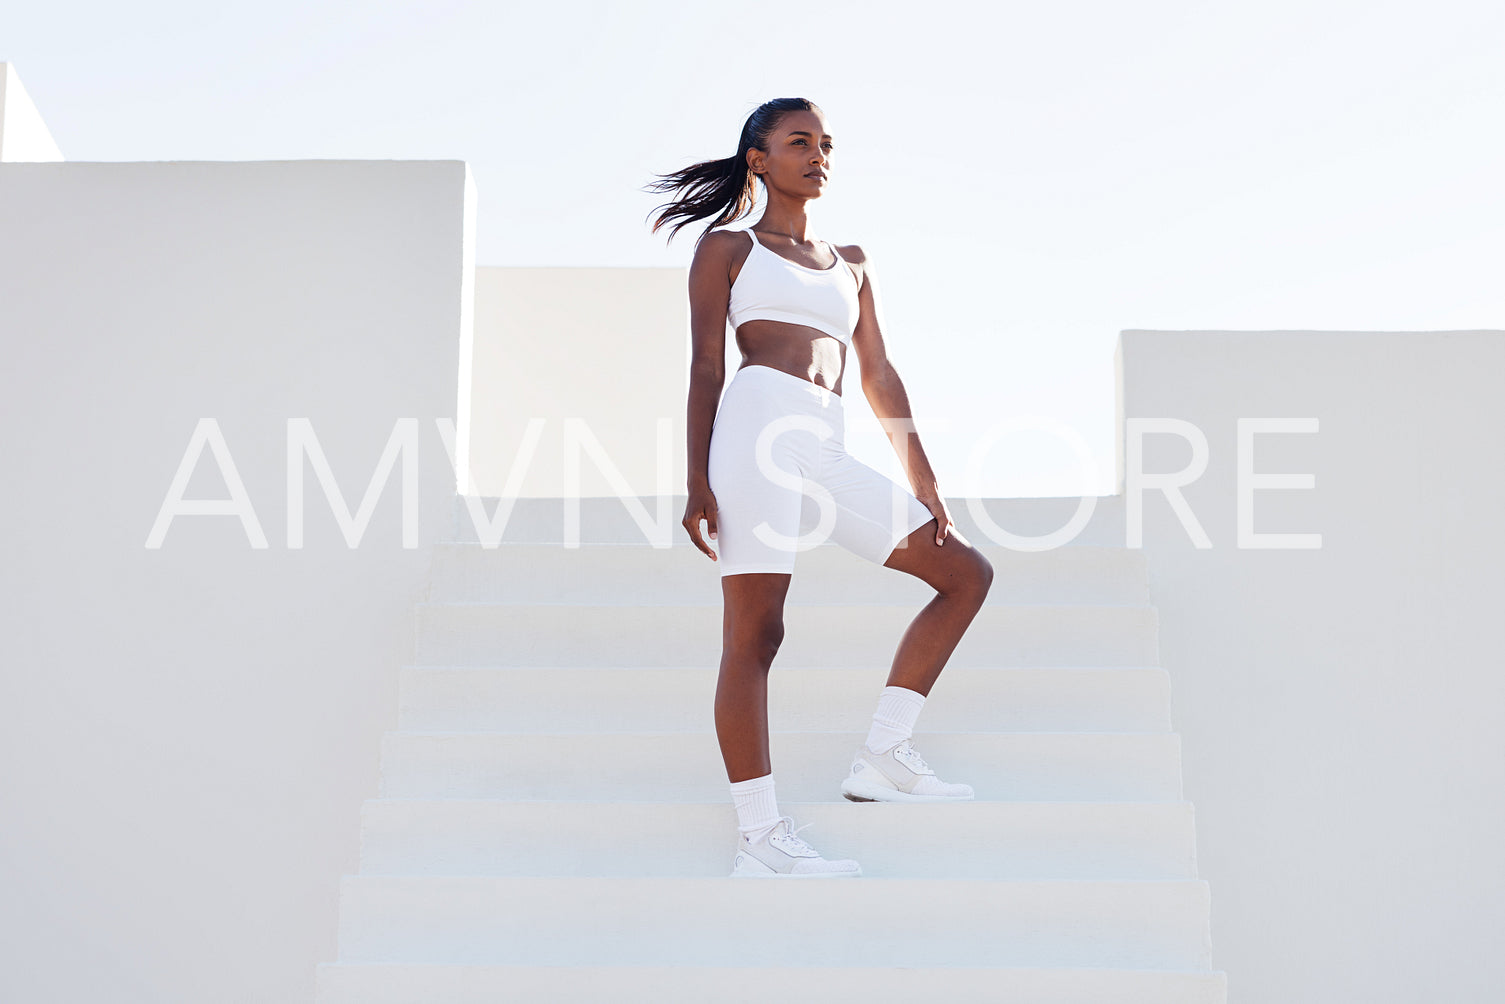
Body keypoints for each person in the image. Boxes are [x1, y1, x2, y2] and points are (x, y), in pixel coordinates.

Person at [644, 98, 994, 878]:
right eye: (799, 142)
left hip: (825, 436)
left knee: (964, 573)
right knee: (756, 635)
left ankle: (882, 755)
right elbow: (706, 365)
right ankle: (760, 837)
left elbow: (875, 372)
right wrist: (695, 480)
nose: (818, 155)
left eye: (826, 144)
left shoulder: (853, 261)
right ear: (759, 159)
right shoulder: (727, 248)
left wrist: (921, 473)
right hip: (754, 428)